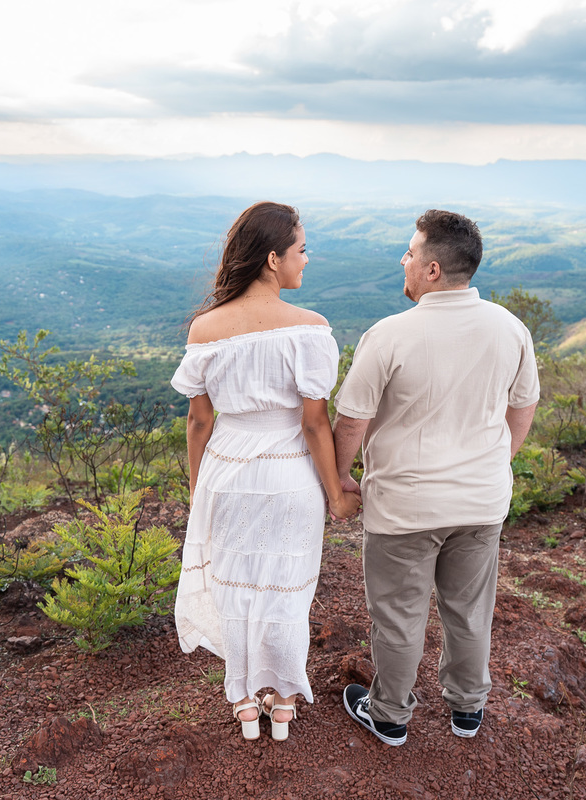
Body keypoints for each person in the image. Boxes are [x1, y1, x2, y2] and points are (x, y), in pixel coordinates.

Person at [332, 209, 540, 746]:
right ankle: (467, 711)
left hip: (405, 508)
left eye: (408, 252)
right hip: (481, 502)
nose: (402, 260)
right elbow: (523, 408)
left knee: (399, 617)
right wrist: (497, 462)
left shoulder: (389, 335)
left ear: (430, 270)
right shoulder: (510, 327)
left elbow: (352, 419)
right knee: (470, 611)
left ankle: (391, 717)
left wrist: (340, 477)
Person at [171, 201, 362, 743]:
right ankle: (281, 700)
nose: (307, 259)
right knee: (285, 587)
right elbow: (314, 425)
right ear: (274, 259)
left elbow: (198, 423)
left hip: (226, 475)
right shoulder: (309, 329)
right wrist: (337, 494)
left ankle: (244, 700)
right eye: (302, 250)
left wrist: (197, 491)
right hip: (287, 476)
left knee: (237, 588)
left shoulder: (205, 329)